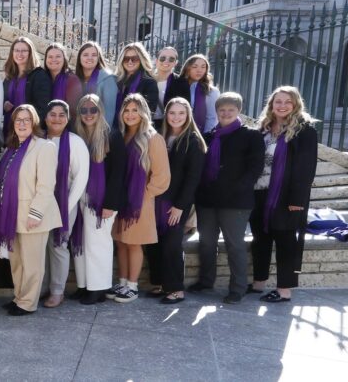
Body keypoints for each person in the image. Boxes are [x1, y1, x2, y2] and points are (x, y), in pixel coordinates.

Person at [191, 92, 264, 303]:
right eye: (222, 110)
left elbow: (255, 168)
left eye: (231, 110)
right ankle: (206, 281)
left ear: (238, 111)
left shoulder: (251, 136)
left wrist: (238, 188)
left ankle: (237, 288)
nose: (226, 113)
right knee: (206, 243)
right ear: (217, 111)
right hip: (208, 200)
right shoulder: (209, 136)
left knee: (235, 245)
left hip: (235, 202)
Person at [249, 86, 319, 303]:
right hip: (259, 192)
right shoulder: (263, 128)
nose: (282, 105)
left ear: (296, 104)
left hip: (286, 196)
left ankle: (284, 290)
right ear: (271, 104)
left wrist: (297, 201)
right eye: (277, 101)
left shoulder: (304, 130)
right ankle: (258, 282)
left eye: (287, 102)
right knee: (260, 239)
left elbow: (306, 168)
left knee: (285, 241)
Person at [0, 104, 61, 316]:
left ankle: (28, 303)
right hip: (13, 215)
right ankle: (19, 297)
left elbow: (46, 185)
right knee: (17, 261)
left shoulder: (44, 147)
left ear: (34, 123)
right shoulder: (12, 148)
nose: (22, 123)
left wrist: (36, 213)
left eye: (26, 120)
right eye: (18, 120)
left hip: (32, 216)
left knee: (32, 263)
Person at [109, 94, 171, 303]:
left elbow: (162, 176)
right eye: (126, 110)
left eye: (135, 110)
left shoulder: (153, 138)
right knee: (121, 242)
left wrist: (145, 195)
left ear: (143, 112)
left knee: (134, 244)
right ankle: (123, 282)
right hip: (121, 199)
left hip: (139, 202)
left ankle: (133, 287)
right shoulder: (121, 136)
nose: (130, 114)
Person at [144, 98, 205, 304]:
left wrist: (180, 206)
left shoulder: (193, 141)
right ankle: (160, 283)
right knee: (154, 242)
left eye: (181, 113)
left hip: (177, 202)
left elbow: (193, 178)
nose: (176, 117)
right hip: (157, 199)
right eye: (172, 113)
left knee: (171, 244)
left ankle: (176, 289)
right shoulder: (158, 137)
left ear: (188, 116)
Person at [70, 94, 127, 305]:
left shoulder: (112, 136)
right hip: (80, 197)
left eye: (92, 109)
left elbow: (117, 174)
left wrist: (110, 205)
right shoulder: (77, 134)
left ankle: (100, 288)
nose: (88, 114)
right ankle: (84, 286)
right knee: (81, 244)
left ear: (100, 110)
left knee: (97, 243)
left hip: (102, 201)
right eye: (83, 110)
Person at [42, 100, 89, 308]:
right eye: (53, 114)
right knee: (38, 247)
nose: (57, 118)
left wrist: (67, 207)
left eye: (62, 115)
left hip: (64, 202)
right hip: (40, 202)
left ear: (68, 118)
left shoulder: (75, 142)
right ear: (45, 117)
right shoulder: (38, 139)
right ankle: (40, 288)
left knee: (58, 245)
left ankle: (57, 291)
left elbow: (81, 178)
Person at [2, 37, 51, 126]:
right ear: (12, 53)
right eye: (16, 50)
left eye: (24, 51)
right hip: (9, 129)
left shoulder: (39, 75)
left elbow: (43, 107)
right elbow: (2, 98)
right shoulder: (9, 77)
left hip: (31, 129)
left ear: (30, 53)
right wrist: (4, 104)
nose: (20, 54)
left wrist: (27, 125)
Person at [114, 42, 160, 128]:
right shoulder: (116, 81)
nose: (130, 61)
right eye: (126, 59)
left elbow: (149, 111)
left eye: (134, 58)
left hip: (138, 130)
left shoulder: (149, 82)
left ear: (141, 59)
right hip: (115, 129)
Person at [75, 41, 119, 126]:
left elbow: (109, 113)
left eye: (94, 55)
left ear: (98, 58)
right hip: (81, 130)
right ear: (79, 58)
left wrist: (103, 135)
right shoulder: (76, 79)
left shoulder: (107, 78)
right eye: (85, 55)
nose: (90, 58)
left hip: (101, 132)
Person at [175, 54, 219, 133]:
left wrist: (206, 137)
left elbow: (212, 117)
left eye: (203, 67)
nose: (199, 70)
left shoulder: (211, 91)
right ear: (187, 68)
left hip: (200, 134)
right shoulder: (177, 86)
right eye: (195, 67)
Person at [43, 44, 82, 119]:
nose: (53, 59)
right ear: (45, 60)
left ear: (64, 59)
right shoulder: (40, 78)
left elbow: (73, 111)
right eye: (50, 57)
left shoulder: (72, 80)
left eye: (58, 56)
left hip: (66, 123)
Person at [153, 46, 181, 128]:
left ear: (176, 63)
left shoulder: (180, 82)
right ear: (156, 60)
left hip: (170, 126)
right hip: (148, 125)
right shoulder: (147, 80)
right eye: (162, 58)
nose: (166, 61)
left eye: (171, 59)